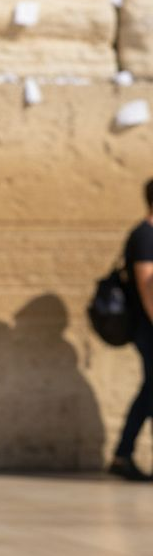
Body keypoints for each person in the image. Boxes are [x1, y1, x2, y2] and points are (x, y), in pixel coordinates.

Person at [111, 178, 153, 481]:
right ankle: (123, 455)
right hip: (148, 327)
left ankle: (123, 454)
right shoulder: (145, 236)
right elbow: (147, 285)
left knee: (150, 392)